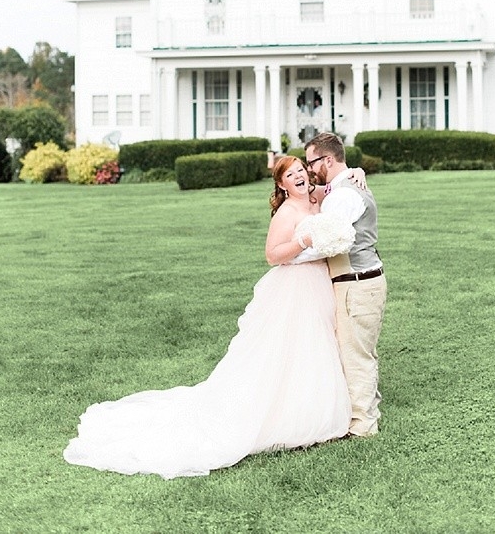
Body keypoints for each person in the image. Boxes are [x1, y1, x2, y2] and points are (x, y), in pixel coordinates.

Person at [63, 156, 352, 479]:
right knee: (286, 350)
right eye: (290, 174)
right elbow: (272, 256)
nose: (298, 176)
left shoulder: (317, 197)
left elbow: (340, 184)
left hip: (319, 284)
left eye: (301, 170)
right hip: (295, 288)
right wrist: (303, 240)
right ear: (281, 184)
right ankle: (284, 418)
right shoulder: (286, 213)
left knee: (314, 346)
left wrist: (356, 172)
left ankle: (310, 411)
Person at [304, 132, 387, 437]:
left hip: (357, 283)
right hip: (360, 281)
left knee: (355, 355)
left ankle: (363, 424)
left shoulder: (344, 196)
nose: (308, 168)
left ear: (327, 160)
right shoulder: (343, 187)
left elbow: (328, 243)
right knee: (361, 350)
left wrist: (288, 254)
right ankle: (367, 408)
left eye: (311, 161)